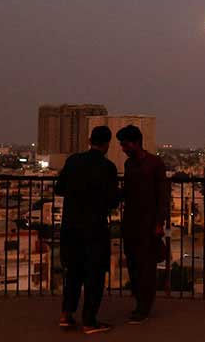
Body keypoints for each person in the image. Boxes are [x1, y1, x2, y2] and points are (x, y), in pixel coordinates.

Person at [55, 126, 118, 335]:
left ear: (90, 140)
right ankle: (89, 321)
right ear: (107, 143)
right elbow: (112, 200)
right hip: (94, 228)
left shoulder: (73, 161)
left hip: (70, 226)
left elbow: (60, 188)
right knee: (94, 274)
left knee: (73, 271)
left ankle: (66, 314)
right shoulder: (107, 167)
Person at [117, 125, 170, 324]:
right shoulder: (130, 164)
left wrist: (159, 223)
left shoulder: (155, 164)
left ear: (136, 142)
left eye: (125, 144)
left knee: (145, 265)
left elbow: (163, 196)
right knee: (133, 264)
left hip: (148, 224)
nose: (123, 148)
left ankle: (143, 306)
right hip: (131, 221)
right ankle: (140, 303)